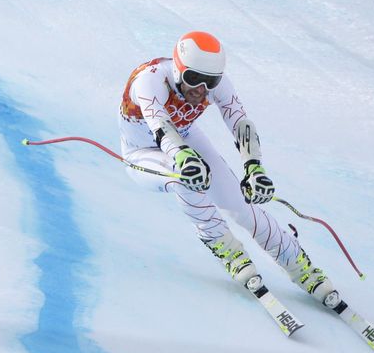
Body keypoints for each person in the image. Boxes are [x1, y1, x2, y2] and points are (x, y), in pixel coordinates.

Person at [119, 30, 340, 308]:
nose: (201, 89)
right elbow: (160, 125)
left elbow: (239, 122)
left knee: (240, 203)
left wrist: (254, 167)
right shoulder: (150, 80)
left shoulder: (216, 85)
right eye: (193, 78)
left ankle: (297, 262)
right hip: (142, 153)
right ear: (178, 69)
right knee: (186, 177)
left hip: (185, 138)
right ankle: (227, 248)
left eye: (210, 81)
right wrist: (184, 157)